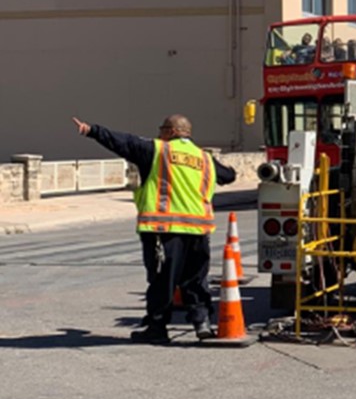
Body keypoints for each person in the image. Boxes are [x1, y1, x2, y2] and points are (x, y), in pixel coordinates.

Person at [72, 114, 237, 344]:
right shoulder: (204, 158)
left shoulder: (158, 150)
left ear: (170, 131)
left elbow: (123, 142)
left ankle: (157, 327)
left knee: (162, 281)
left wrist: (92, 130)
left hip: (163, 229)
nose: (158, 134)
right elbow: (228, 176)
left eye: (161, 129)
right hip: (199, 231)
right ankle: (202, 324)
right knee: (196, 280)